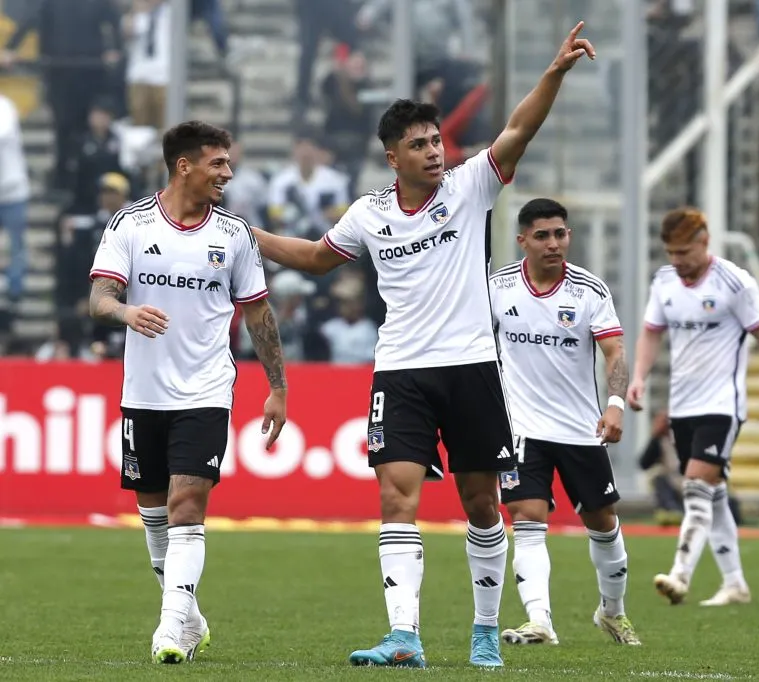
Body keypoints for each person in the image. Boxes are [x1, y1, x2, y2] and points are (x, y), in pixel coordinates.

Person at [251, 21, 596, 670]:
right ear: (393, 158)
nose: (435, 152)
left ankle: (485, 631)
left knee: (480, 503)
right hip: (402, 372)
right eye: (419, 144)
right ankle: (403, 634)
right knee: (395, 497)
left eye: (436, 140)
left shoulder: (471, 186)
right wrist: (252, 237)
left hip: (471, 367)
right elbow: (318, 259)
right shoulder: (370, 213)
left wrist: (554, 72)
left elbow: (519, 130)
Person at [88, 120, 288, 663]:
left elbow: (258, 314)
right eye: (218, 163)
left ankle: (169, 629)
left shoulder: (235, 234)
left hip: (205, 388)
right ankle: (190, 617)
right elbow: (99, 298)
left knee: (186, 505)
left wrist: (277, 387)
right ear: (184, 166)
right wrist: (127, 312)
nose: (228, 172)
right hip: (143, 391)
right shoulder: (130, 224)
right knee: (154, 512)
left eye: (228, 162)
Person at [489, 198, 640, 647]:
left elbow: (615, 351)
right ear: (523, 240)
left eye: (560, 234)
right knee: (527, 518)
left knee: (603, 522)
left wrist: (615, 404)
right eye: (543, 236)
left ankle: (612, 611)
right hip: (521, 428)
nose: (554, 243)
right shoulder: (497, 288)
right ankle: (540, 621)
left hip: (580, 428)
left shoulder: (589, 291)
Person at [627, 207, 759, 607]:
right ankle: (735, 584)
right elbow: (651, 333)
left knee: (696, 486)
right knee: (712, 494)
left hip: (722, 404)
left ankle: (680, 574)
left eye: (684, 252)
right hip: (682, 406)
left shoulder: (735, 282)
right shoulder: (664, 281)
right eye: (671, 252)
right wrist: (638, 377)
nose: (677, 260)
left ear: (705, 242)